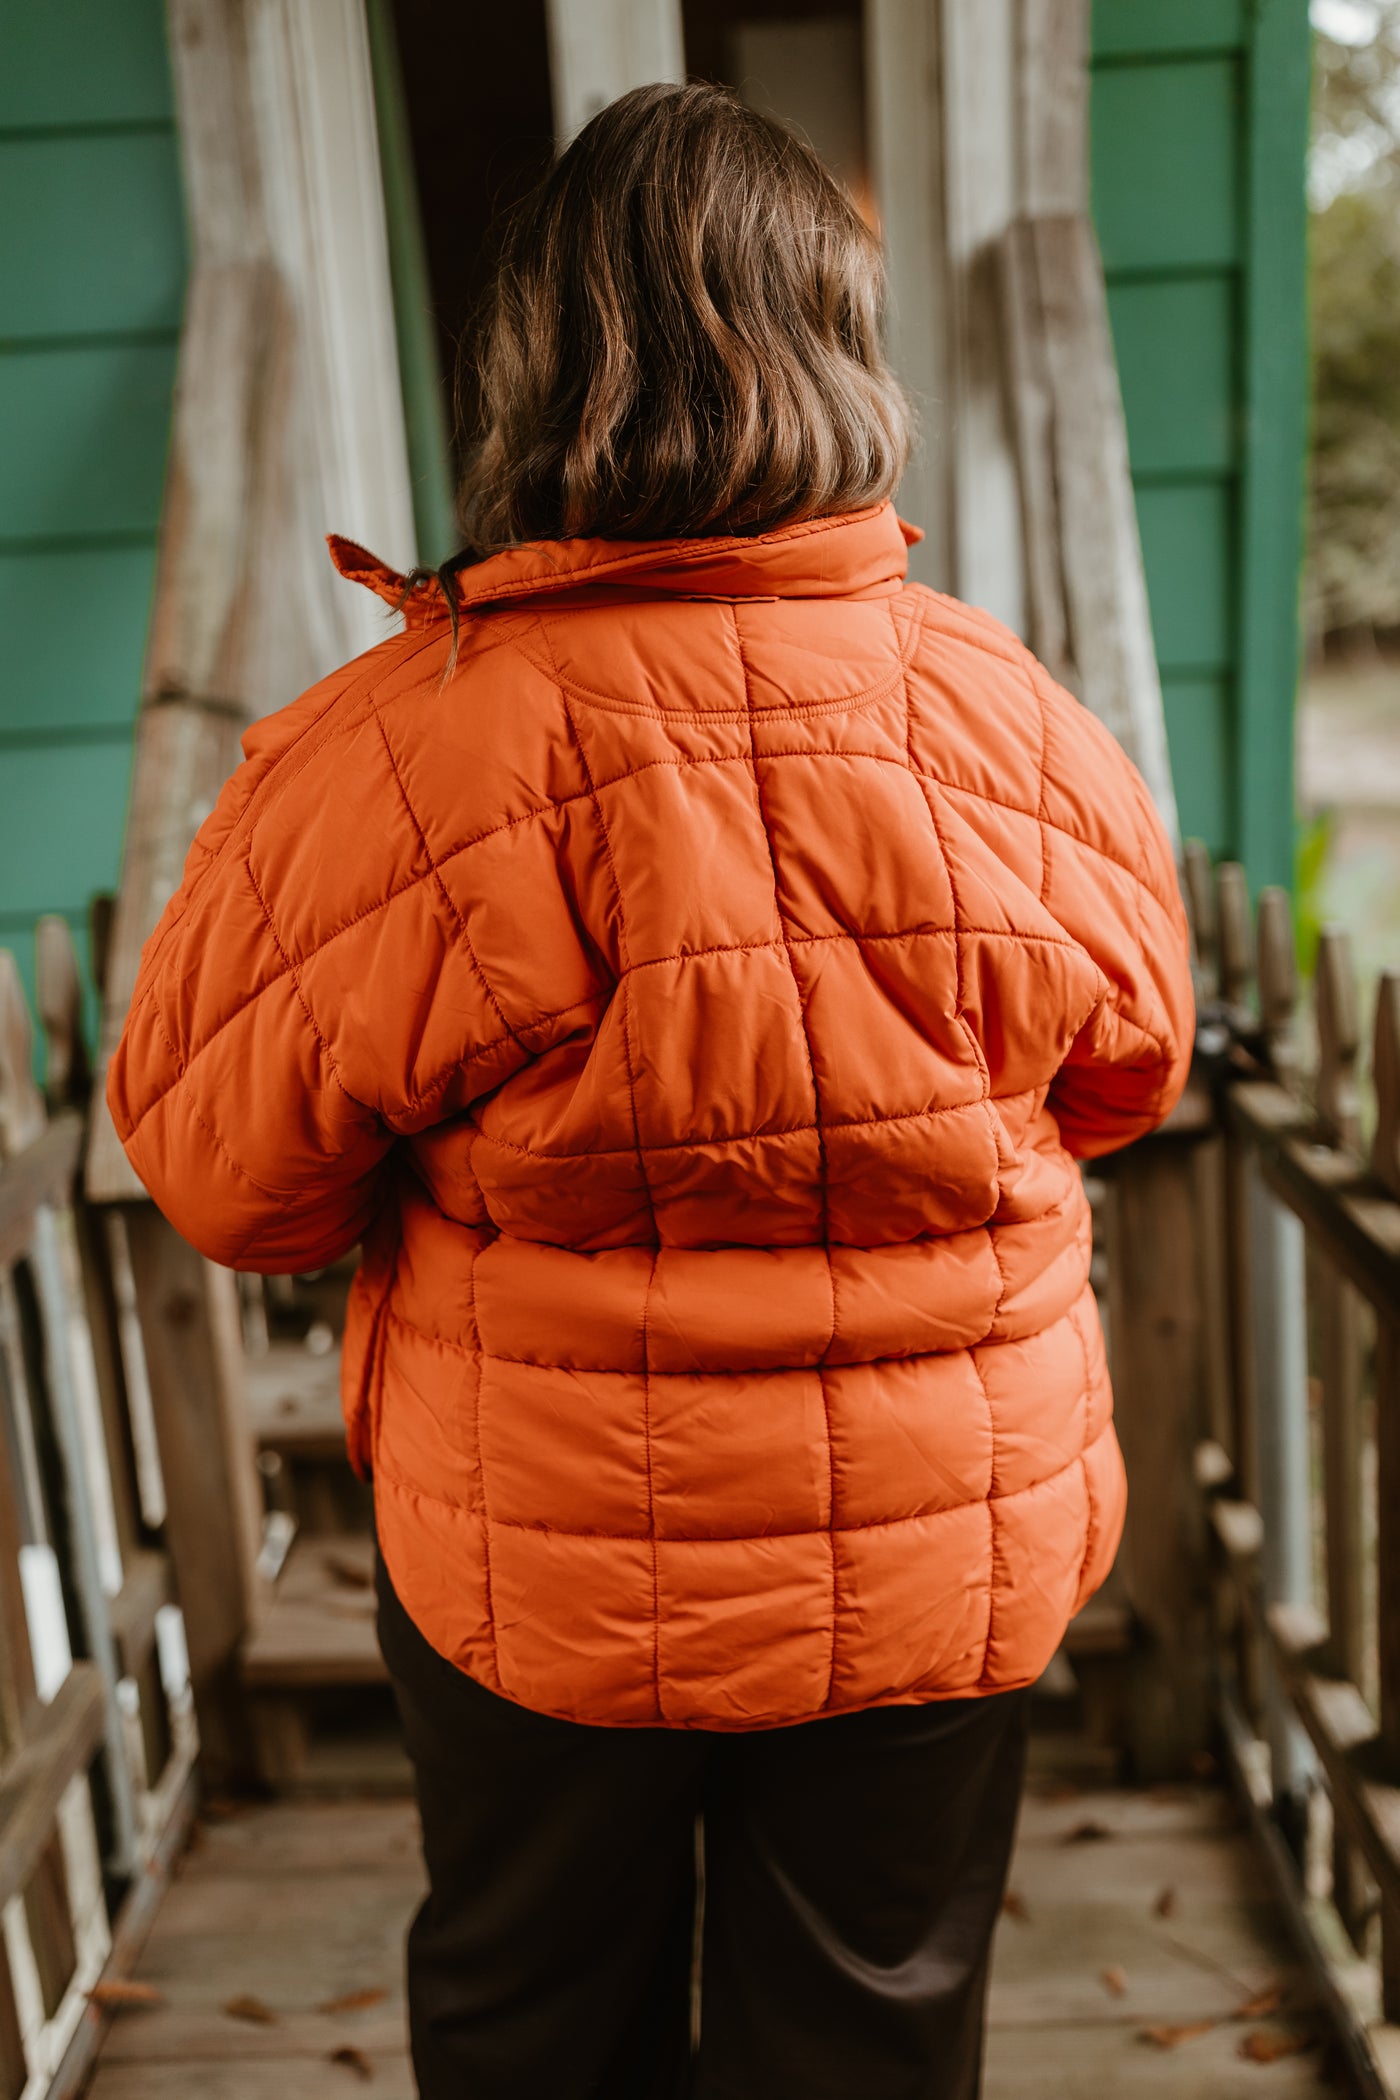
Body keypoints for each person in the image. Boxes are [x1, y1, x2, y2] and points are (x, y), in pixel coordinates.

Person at [108, 81, 1194, 2100]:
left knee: (534, 2023)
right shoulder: (1018, 720)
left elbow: (221, 1180)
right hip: (935, 1532)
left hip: (542, 1549)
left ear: (530, 366)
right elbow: (1126, 1079)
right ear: (841, 352)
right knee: (873, 2040)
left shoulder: (379, 757)